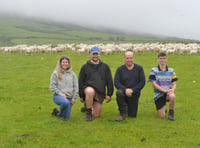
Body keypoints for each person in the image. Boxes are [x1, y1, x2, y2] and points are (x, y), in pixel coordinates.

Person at [78, 46, 114, 121]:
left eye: (96, 54)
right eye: (93, 54)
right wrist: (81, 95)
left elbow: (109, 80)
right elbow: (80, 81)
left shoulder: (105, 67)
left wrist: (109, 94)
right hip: (89, 90)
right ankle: (88, 113)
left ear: (99, 55)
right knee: (90, 92)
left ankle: (87, 106)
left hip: (100, 92)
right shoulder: (85, 67)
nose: (95, 56)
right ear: (90, 55)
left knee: (96, 115)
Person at [114, 51, 146, 121]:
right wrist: (125, 89)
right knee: (119, 93)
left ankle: (127, 108)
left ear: (133, 59)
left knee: (132, 115)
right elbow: (116, 82)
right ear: (124, 59)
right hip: (123, 93)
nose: (129, 60)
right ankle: (122, 113)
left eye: (131, 58)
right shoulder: (120, 69)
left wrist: (133, 90)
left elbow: (142, 82)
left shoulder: (139, 68)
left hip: (134, 94)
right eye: (127, 58)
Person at [149, 52, 178, 121]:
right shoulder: (153, 70)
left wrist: (172, 89)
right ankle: (163, 107)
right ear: (158, 59)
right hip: (158, 94)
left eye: (164, 58)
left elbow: (174, 83)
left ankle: (171, 113)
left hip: (168, 92)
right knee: (161, 116)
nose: (162, 60)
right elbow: (153, 84)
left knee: (172, 96)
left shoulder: (171, 70)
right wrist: (164, 90)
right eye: (160, 58)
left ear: (166, 59)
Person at [50, 55, 78, 120]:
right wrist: (60, 93)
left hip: (69, 97)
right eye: (63, 62)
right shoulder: (55, 73)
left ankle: (57, 112)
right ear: (60, 63)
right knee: (65, 102)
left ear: (68, 63)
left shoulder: (72, 74)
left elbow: (76, 87)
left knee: (67, 117)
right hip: (58, 96)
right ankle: (60, 115)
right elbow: (52, 87)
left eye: (66, 62)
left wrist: (74, 98)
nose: (65, 64)